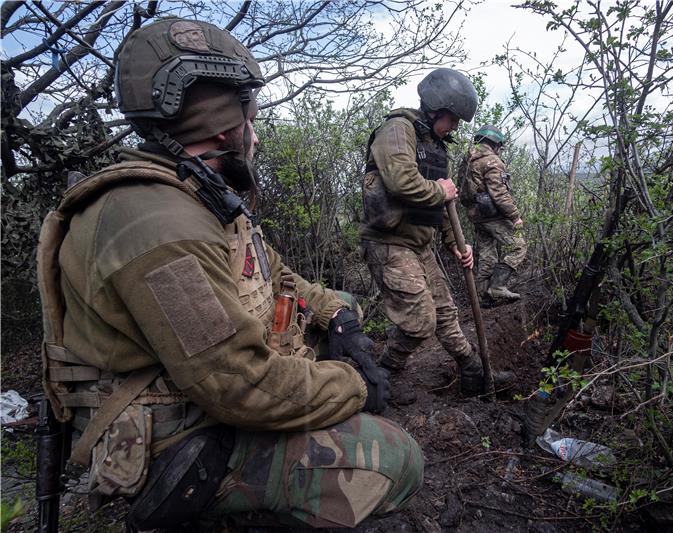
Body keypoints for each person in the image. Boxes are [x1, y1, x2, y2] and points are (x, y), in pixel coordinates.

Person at [36, 18, 422, 531]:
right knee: (397, 459)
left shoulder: (195, 196)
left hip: (203, 398)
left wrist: (335, 315)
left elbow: (275, 273)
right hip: (177, 444)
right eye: (250, 115)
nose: (254, 131)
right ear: (225, 125)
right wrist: (353, 385)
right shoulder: (161, 227)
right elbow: (237, 385)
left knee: (346, 302)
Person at [360, 68, 511, 404]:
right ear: (436, 107)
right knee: (420, 320)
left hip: (419, 244)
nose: (455, 127)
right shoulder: (397, 129)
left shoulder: (436, 146)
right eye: (452, 118)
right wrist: (439, 190)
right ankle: (381, 376)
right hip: (389, 243)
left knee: (445, 311)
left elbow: (443, 205)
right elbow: (401, 181)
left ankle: (473, 370)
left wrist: (456, 245)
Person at [460, 124, 527, 304]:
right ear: (496, 144)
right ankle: (497, 286)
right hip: (492, 216)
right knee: (519, 246)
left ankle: (483, 297)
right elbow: (499, 193)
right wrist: (515, 216)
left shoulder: (468, 160)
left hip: (475, 215)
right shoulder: (492, 161)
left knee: (487, 254)